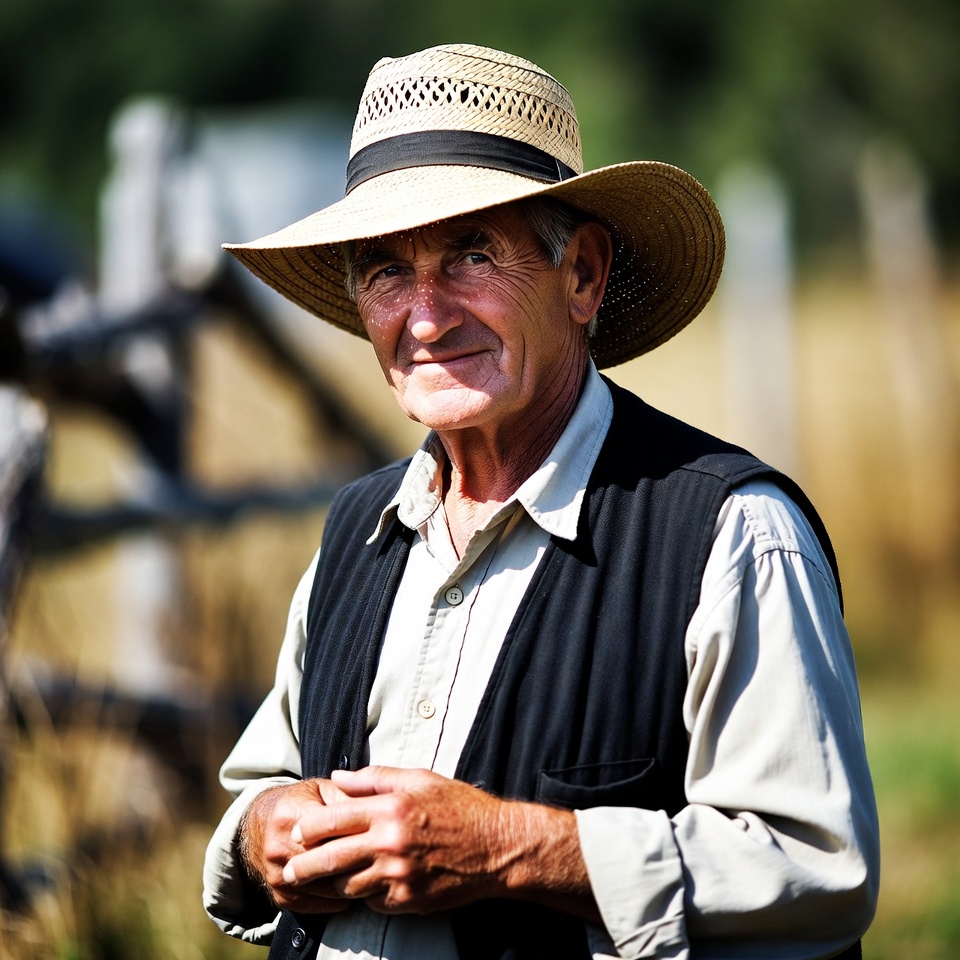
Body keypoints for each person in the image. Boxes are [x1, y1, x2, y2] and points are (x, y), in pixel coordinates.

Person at [203, 43, 879, 960]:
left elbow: (818, 868)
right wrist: (262, 834)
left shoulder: (729, 534)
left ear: (584, 276)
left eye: (471, 253)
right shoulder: (358, 534)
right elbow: (263, 784)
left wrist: (512, 851)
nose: (427, 318)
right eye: (386, 271)